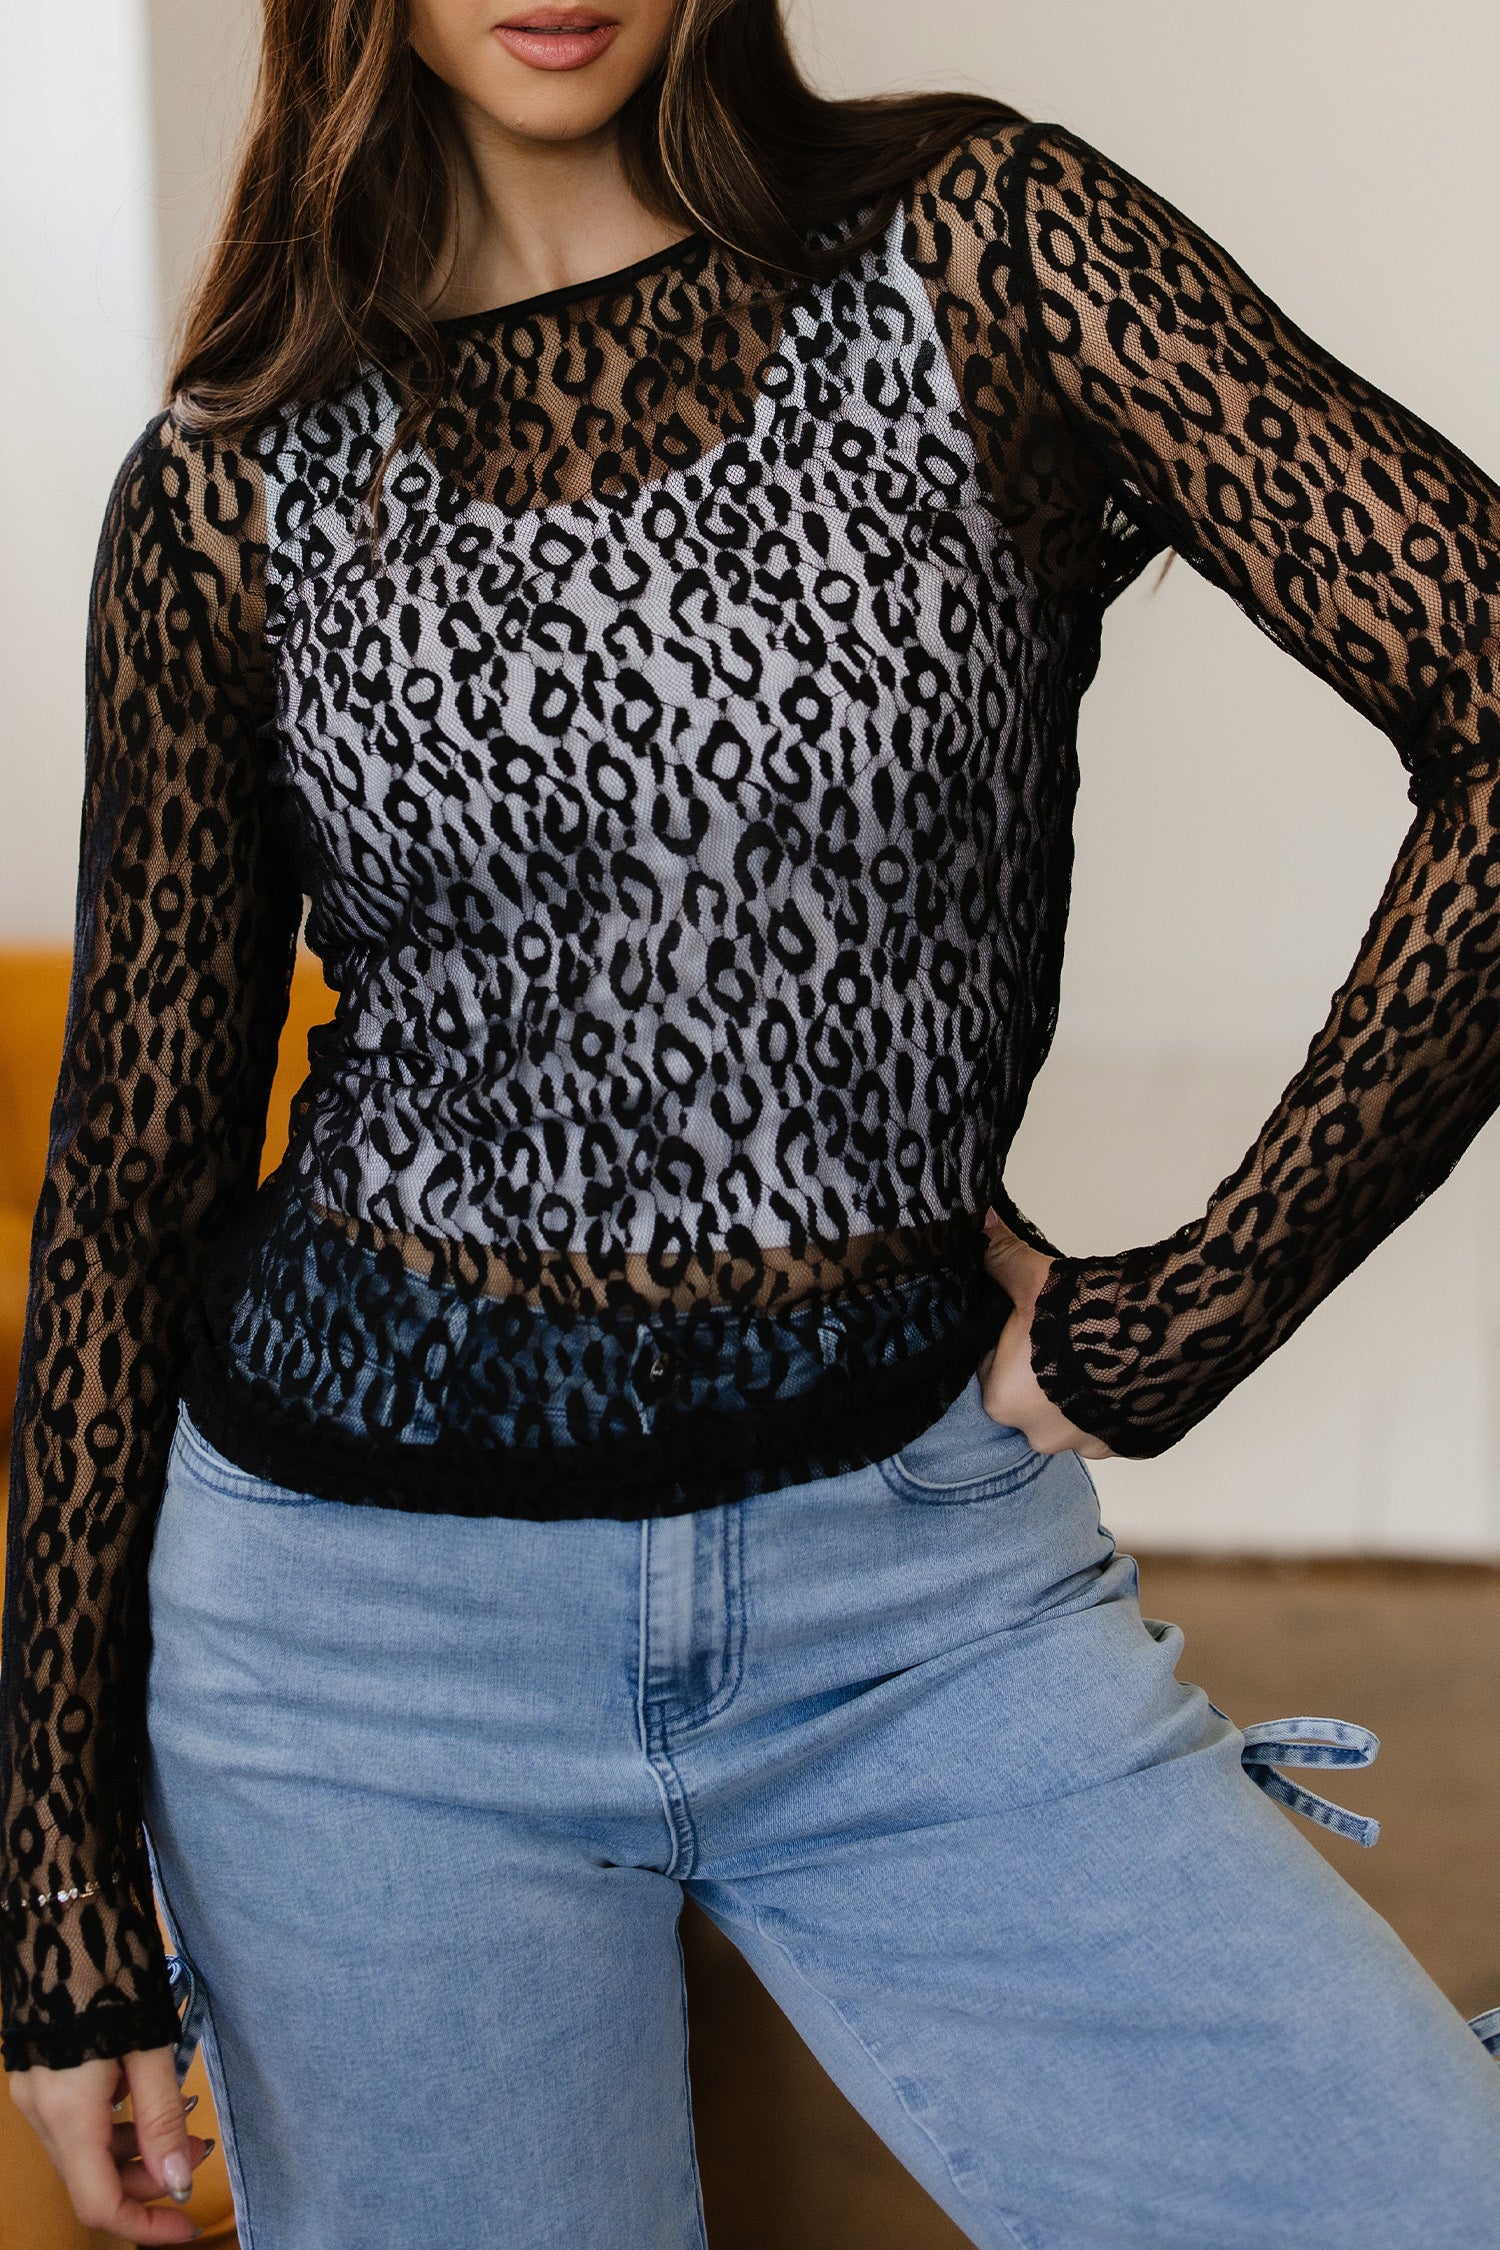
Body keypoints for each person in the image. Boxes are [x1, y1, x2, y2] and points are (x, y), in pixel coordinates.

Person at [6, 0, 1500, 2239]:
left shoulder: (989, 249)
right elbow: (132, 1195)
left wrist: (1190, 1313)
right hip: (354, 1665)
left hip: (913, 1592)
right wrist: (55, 1896)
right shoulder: (233, 481)